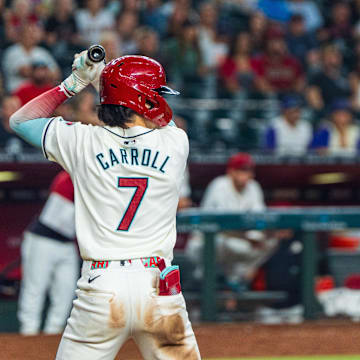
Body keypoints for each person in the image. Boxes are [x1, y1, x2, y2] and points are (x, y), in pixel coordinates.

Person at [10, 51, 200, 359]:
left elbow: (20, 120)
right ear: (144, 98)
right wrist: (102, 76)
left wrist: (76, 81)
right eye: (156, 92)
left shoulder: (82, 141)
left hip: (101, 286)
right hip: (159, 288)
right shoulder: (176, 142)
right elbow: (150, 112)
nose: (161, 100)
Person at [186, 153, 280, 290]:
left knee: (270, 242)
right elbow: (221, 225)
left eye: (248, 170)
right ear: (231, 171)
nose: (246, 174)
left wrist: (261, 236)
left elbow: (259, 220)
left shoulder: (253, 187)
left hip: (238, 241)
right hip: (205, 242)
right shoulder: (219, 185)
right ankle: (204, 277)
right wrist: (248, 238)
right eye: (242, 170)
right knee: (219, 241)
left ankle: (236, 278)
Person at [18, 171, 79, 335]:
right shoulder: (68, 176)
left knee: (67, 291)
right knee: (35, 287)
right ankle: (28, 333)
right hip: (42, 239)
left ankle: (52, 336)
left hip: (67, 244)